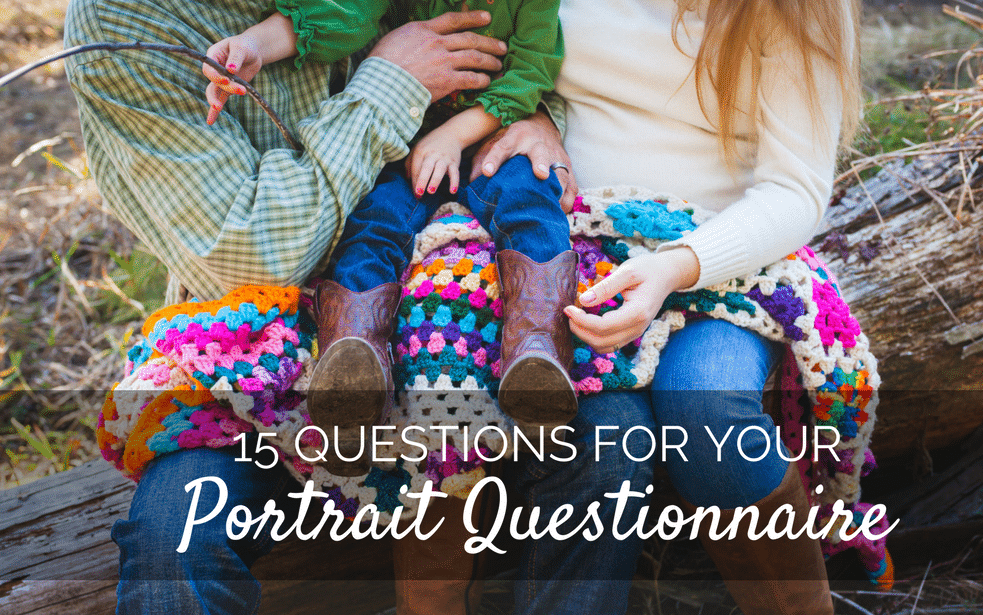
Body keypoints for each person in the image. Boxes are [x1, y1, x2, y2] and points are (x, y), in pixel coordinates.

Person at [63, 0, 642, 613]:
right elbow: (255, 255)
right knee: (173, 540)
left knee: (613, 448)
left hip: (462, 311)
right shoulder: (127, 20)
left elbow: (519, 45)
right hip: (261, 356)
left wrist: (531, 115)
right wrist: (392, 81)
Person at [471, 0, 862, 613]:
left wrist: (675, 266)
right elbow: (504, 49)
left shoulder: (795, 10)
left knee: (706, 409)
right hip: (568, 244)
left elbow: (795, 189)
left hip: (723, 262)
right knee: (600, 439)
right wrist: (537, 114)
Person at [198, 1, 577, 461]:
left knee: (530, 200)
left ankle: (537, 344)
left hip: (491, 137)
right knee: (376, 220)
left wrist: (455, 135)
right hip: (406, 139)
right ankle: (353, 353)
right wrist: (255, 44)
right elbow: (342, 15)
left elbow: (529, 74)